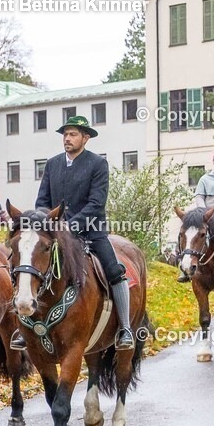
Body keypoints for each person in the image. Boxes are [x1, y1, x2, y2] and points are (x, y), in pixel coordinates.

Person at [25, 114, 133, 351]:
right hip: (55, 233)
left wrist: (70, 226)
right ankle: (24, 328)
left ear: (85, 138)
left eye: (73, 134)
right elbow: (42, 200)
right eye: (65, 134)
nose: (67, 138)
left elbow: (96, 203)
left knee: (114, 271)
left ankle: (125, 327)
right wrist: (45, 224)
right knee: (28, 265)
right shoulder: (52, 164)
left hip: (91, 231)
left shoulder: (97, 164)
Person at [184, 149, 214, 290]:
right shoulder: (205, 179)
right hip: (207, 214)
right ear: (213, 161)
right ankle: (185, 268)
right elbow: (199, 196)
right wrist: (204, 212)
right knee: (188, 229)